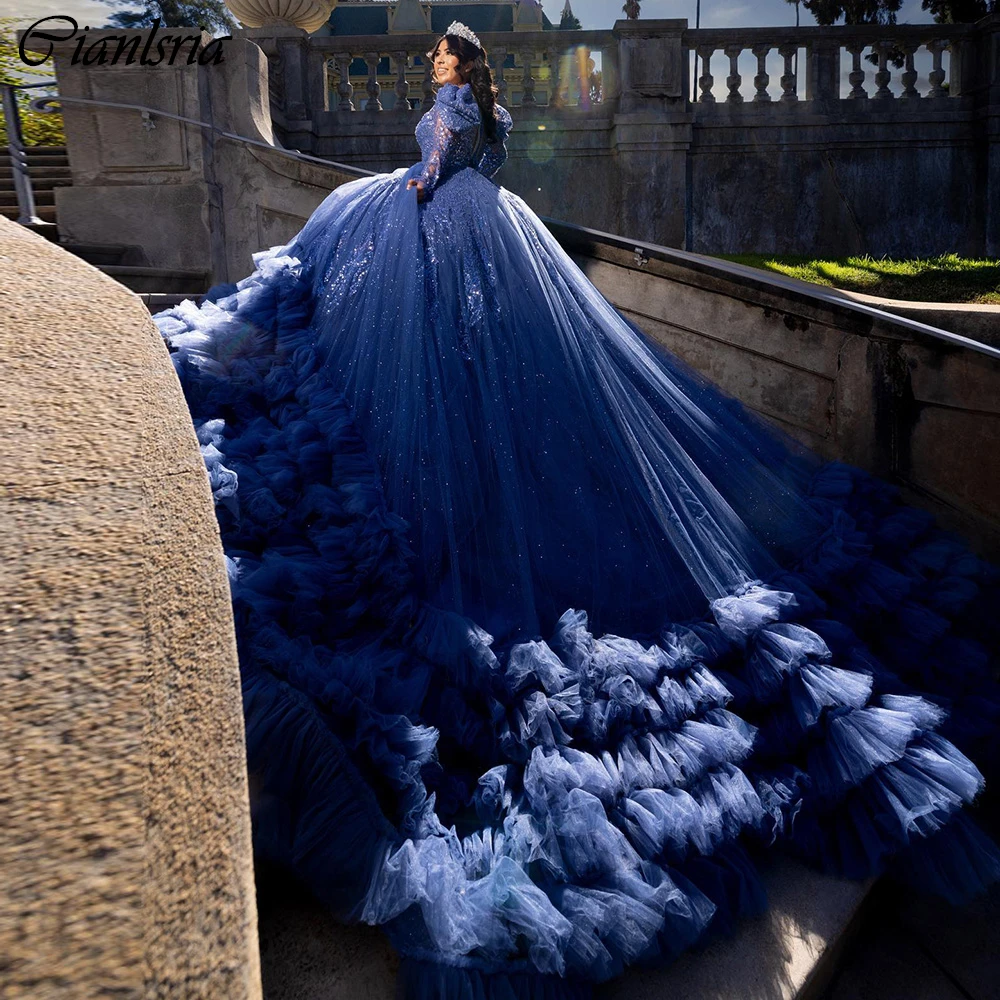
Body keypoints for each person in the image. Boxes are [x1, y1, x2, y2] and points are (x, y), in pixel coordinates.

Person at [155, 21, 1000, 1000]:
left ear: (453, 67)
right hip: (492, 222)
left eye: (439, 56)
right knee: (482, 390)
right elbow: (483, 163)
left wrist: (417, 191)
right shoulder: (490, 117)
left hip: (437, 225)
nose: (432, 65)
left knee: (396, 391)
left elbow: (431, 171)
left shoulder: (447, 113)